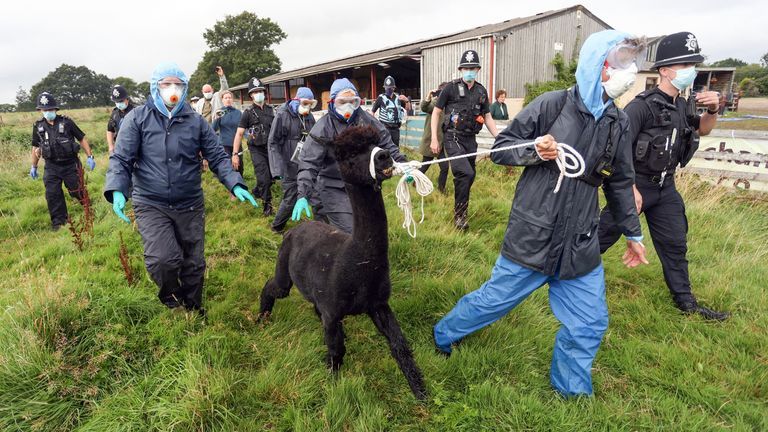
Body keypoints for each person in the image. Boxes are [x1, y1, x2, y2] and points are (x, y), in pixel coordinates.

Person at [433, 31, 650, 397]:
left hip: (580, 242)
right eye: (619, 64)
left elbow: (620, 180)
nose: (627, 73)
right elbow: (501, 149)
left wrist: (633, 233)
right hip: (533, 236)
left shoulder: (618, 122)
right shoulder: (551, 105)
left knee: (589, 323)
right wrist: (536, 150)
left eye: (631, 65)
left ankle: (572, 393)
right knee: (492, 302)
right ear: (596, 65)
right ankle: (444, 334)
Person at [104, 62, 257, 315]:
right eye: (166, 84)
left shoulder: (195, 121)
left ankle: (193, 306)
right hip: (151, 202)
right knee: (163, 260)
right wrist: (118, 189)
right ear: (156, 87)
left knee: (193, 262)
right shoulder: (137, 118)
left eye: (178, 84)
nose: (172, 89)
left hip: (189, 202)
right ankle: (172, 299)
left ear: (185, 89)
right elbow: (121, 158)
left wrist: (234, 182)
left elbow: (218, 157)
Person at [597, 32, 730, 321]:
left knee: (675, 245)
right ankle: (565, 273)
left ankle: (686, 304)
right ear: (665, 70)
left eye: (693, 65)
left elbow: (703, 129)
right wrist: (629, 187)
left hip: (665, 187)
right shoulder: (640, 107)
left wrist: (713, 109)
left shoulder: (683, 105)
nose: (691, 71)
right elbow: (617, 150)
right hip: (636, 186)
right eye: (685, 65)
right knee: (601, 237)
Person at [294, 78, 408, 233]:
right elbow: (309, 163)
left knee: (371, 227)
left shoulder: (366, 120)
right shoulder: (322, 129)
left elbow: (387, 144)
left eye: (352, 102)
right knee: (351, 230)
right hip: (333, 186)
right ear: (332, 102)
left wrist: (404, 164)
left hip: (362, 184)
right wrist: (303, 194)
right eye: (342, 102)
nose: (348, 106)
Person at [431, 49, 500, 230]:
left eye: (473, 68)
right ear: (461, 70)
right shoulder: (450, 88)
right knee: (465, 173)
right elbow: (436, 112)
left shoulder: (481, 91)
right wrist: (434, 139)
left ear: (477, 69)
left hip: (471, 140)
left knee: (469, 177)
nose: (469, 71)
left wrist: (499, 138)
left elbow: (488, 117)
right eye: (466, 68)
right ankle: (460, 218)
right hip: (452, 137)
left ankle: (459, 208)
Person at [30, 91, 96, 231]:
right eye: (45, 110)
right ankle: (59, 223)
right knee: (53, 194)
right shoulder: (38, 126)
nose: (48, 112)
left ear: (55, 109)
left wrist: (90, 156)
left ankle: (89, 210)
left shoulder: (67, 122)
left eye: (50, 109)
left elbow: (81, 138)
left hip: (70, 164)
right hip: (51, 166)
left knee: (76, 190)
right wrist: (33, 166)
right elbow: (35, 147)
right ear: (41, 110)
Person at [267, 87, 318, 233]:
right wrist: (277, 168)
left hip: (305, 163)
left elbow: (315, 138)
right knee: (290, 198)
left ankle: (320, 226)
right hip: (287, 163)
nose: (307, 107)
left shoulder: (309, 117)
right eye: (305, 103)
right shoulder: (283, 114)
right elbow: (273, 142)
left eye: (310, 104)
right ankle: (277, 226)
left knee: (314, 193)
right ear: (297, 101)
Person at [232, 77, 275, 216]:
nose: (258, 94)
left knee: (272, 177)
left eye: (260, 91)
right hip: (256, 150)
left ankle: (257, 191)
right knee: (264, 178)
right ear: (251, 96)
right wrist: (235, 154)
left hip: (270, 148)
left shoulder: (271, 110)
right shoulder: (248, 113)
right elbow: (239, 134)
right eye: (255, 92)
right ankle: (267, 207)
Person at [418, 83, 450, 194]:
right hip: (431, 141)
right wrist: (428, 97)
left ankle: (441, 189)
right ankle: (414, 181)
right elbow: (424, 107)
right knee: (425, 165)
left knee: (445, 167)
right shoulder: (436, 103)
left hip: (442, 143)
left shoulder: (449, 106)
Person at [212, 90, 243, 198]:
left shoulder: (238, 113)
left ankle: (240, 186)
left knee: (239, 166)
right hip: (224, 144)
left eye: (230, 97)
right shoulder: (219, 112)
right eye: (226, 98)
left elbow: (243, 128)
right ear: (222, 100)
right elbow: (214, 129)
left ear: (232, 99)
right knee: (229, 167)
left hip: (237, 144)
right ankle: (232, 190)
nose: (228, 99)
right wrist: (216, 118)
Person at [371, 75, 404, 145]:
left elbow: (407, 109)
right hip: (385, 128)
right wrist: (373, 126)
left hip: (396, 128)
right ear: (385, 88)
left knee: (395, 148)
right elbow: (372, 112)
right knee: (385, 147)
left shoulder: (398, 98)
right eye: (387, 88)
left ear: (394, 88)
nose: (389, 89)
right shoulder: (381, 98)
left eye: (390, 88)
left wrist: (407, 100)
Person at [106, 85, 136, 155]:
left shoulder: (136, 112)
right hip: (119, 149)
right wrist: (111, 146)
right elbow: (110, 130)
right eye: (117, 102)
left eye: (121, 101)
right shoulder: (114, 113)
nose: (119, 104)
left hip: (135, 149)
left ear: (127, 99)